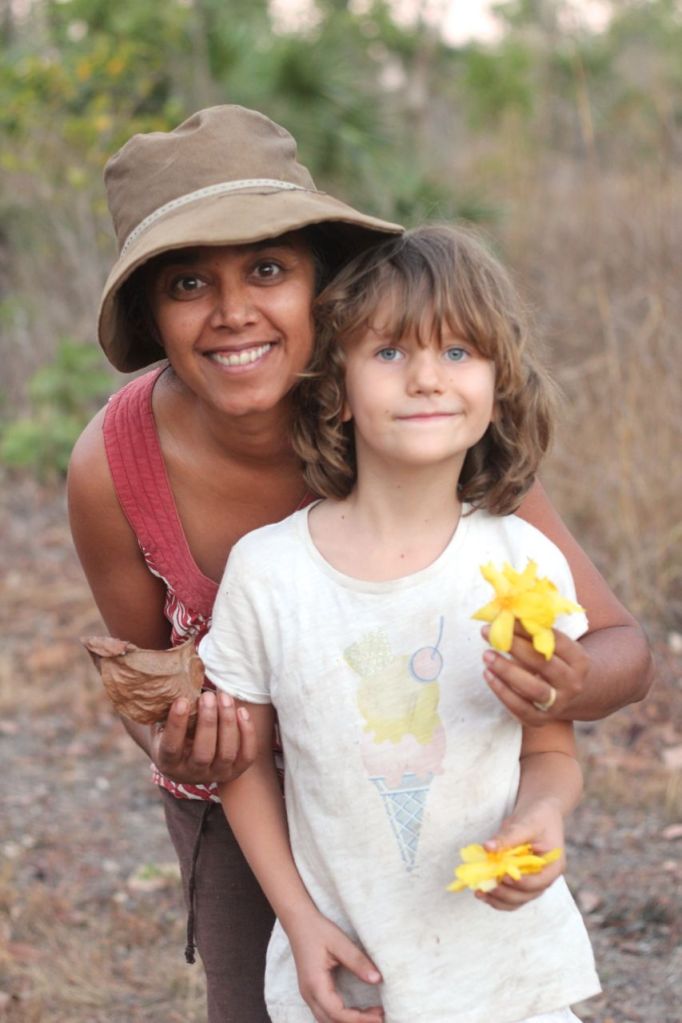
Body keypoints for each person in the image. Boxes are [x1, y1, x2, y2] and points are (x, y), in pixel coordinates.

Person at [66, 106, 651, 1023]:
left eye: (267, 268)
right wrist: (179, 742)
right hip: (247, 803)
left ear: (320, 281)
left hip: (447, 810)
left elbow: (613, 654)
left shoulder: (411, 420)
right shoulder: (119, 465)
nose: (233, 312)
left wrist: (560, 688)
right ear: (150, 312)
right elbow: (155, 683)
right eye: (186, 283)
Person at [199, 225, 602, 1023]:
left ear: (498, 383)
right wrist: (299, 920)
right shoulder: (269, 571)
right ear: (337, 390)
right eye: (389, 353)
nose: (426, 378)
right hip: (352, 975)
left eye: (459, 353)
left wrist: (542, 815)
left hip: (507, 973)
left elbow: (551, 750)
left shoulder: (523, 566)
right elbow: (240, 766)